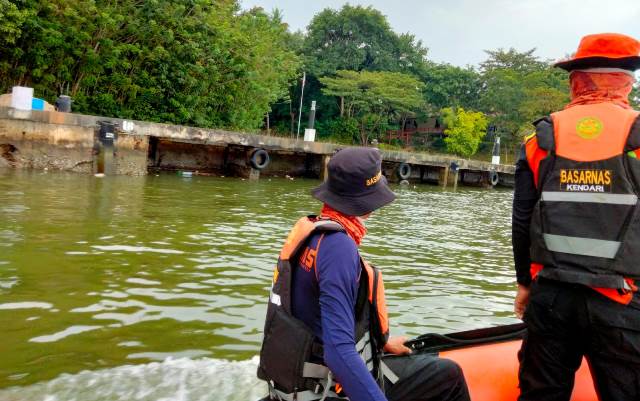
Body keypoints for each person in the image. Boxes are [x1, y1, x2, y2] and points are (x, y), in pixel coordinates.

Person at [258, 147, 470, 401]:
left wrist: (378, 342)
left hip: (296, 379)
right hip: (325, 390)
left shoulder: (314, 233)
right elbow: (338, 352)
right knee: (449, 376)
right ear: (365, 199)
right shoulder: (338, 248)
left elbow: (313, 317)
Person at [512, 33, 640, 401]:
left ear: (575, 80)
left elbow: (523, 221)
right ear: (627, 80)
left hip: (550, 295)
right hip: (623, 301)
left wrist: (525, 284)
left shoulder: (541, 139)